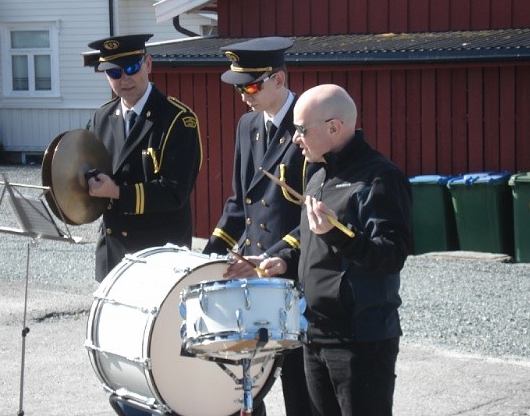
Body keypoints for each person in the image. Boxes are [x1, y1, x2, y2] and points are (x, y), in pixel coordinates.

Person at [252, 84, 412, 416]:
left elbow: (392, 254)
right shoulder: (318, 172)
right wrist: (282, 259)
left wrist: (339, 235)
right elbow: (309, 236)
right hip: (315, 332)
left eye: (301, 129)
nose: (295, 139)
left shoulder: (379, 178)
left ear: (334, 127)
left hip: (359, 339)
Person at [86, 34, 202, 416]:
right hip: (114, 256)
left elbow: (175, 192)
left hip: (158, 259)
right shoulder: (102, 118)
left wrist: (118, 192)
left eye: (132, 68)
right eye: (114, 72)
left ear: (149, 64)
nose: (124, 79)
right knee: (119, 357)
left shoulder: (177, 119)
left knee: (158, 359)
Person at [202, 36, 313, 415]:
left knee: (299, 385)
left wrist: (275, 257)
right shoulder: (248, 124)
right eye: (239, 87)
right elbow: (241, 201)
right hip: (253, 273)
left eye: (251, 86)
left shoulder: (307, 123)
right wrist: (210, 256)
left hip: (292, 268)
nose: (243, 96)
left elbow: (315, 212)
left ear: (279, 79)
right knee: (247, 382)